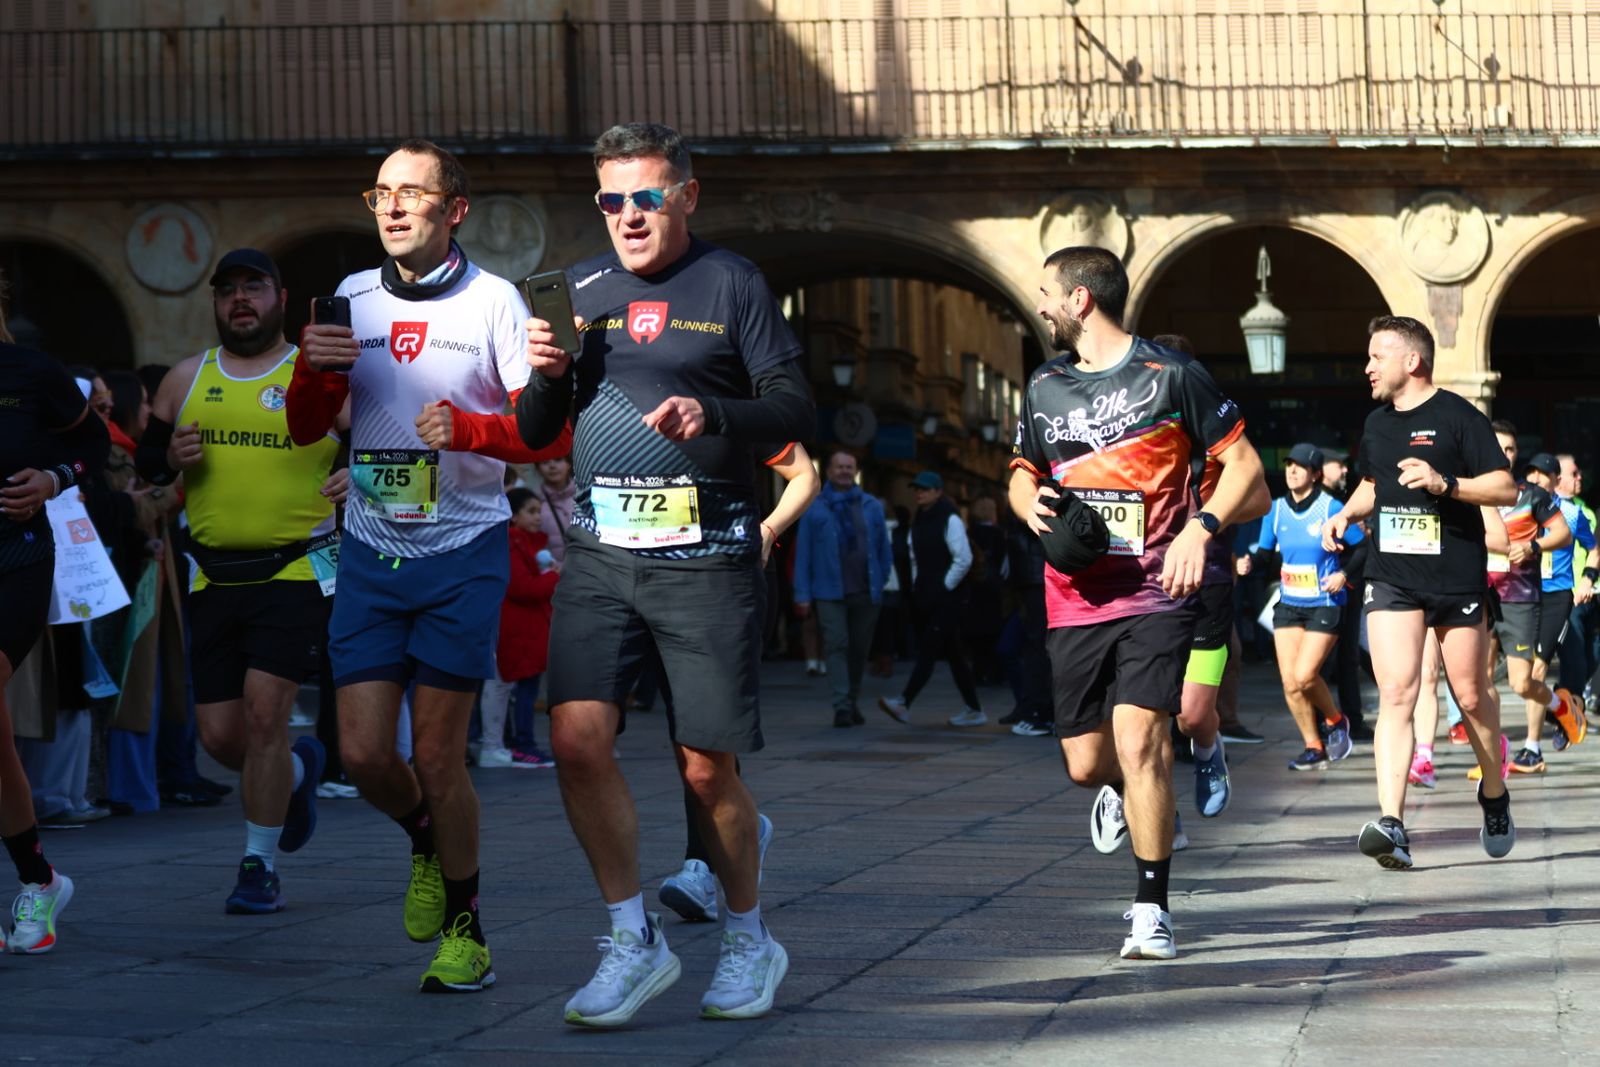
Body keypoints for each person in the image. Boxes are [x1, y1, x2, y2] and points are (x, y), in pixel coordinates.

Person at [515, 122, 812, 1025]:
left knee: (704, 769)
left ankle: (750, 938)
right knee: (574, 739)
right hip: (602, 552)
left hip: (706, 555)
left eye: (647, 196)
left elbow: (795, 406)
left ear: (686, 194)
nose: (629, 216)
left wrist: (712, 411)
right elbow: (535, 432)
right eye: (613, 199)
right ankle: (630, 937)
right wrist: (547, 376)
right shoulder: (581, 287)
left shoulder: (733, 282)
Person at [290, 139, 571, 993]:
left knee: (443, 758)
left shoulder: (495, 303)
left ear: (456, 210)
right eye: (381, 193)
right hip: (372, 550)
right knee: (370, 753)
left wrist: (474, 429)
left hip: (464, 551)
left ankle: (467, 928)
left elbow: (547, 432)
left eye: (413, 193)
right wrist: (310, 372)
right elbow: (310, 426)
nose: (393, 207)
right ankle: (422, 838)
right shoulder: (349, 297)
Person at [1009, 246, 1266, 961]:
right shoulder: (1044, 384)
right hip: (1073, 598)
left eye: (1048, 294)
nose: (1042, 306)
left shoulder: (1171, 375)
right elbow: (1021, 473)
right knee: (1087, 763)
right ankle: (1123, 793)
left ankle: (1151, 907)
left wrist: (1201, 525)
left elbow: (1246, 468)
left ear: (1081, 299)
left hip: (1156, 592)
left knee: (1144, 741)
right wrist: (1030, 506)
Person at [137, 249, 344, 913]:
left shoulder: (311, 374)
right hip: (212, 577)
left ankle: (257, 864)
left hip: (293, 568)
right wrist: (169, 457)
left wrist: (356, 478)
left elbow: (375, 443)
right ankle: (301, 769)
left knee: (263, 715)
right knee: (221, 738)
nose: (240, 300)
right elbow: (148, 467)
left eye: (253, 287)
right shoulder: (184, 378)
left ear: (281, 296)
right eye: (228, 290)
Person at [1323, 315, 1519, 869]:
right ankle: (1393, 823)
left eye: (1376, 356)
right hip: (1392, 578)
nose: (1367, 367)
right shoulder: (1377, 424)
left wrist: (1445, 484)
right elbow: (1372, 482)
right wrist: (1344, 514)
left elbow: (1504, 484)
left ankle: (1495, 794)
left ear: (1411, 361)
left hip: (1456, 580)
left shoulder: (1459, 417)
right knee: (1397, 694)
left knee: (1471, 696)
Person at [659, 440, 818, 922]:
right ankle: (743, 827)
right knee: (681, 731)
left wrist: (767, 531)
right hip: (645, 575)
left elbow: (804, 474)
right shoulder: (619, 392)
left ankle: (701, 864)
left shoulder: (729, 404)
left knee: (703, 731)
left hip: (724, 580)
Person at [0, 273, 111, 952]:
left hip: (14, 557)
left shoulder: (31, 370)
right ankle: (39, 879)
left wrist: (51, 480)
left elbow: (93, 444)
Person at [1247, 442, 1360, 769]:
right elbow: (1265, 556)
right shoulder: (1276, 509)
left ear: (1314, 473)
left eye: (1299, 466)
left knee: (1305, 675)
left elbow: (1361, 548)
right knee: (1290, 682)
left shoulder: (1331, 508)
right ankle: (1313, 746)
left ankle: (1336, 721)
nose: (1291, 470)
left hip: (1325, 601)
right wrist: (1247, 564)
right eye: (1288, 465)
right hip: (1289, 604)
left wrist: (1343, 574)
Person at [877, 471, 986, 727]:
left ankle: (904, 702)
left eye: (925, 489)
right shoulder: (920, 520)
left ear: (938, 491)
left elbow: (964, 558)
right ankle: (974, 709)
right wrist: (919, 586)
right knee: (954, 654)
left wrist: (944, 586)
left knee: (928, 649)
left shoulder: (950, 519)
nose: (919, 493)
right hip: (928, 597)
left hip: (947, 599)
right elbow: (916, 558)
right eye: (917, 489)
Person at [793, 450, 892, 728]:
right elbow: (804, 554)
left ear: (856, 470)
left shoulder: (871, 506)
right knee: (837, 645)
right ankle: (841, 706)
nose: (845, 471)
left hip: (866, 591)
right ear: (829, 471)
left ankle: (852, 699)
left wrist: (882, 577)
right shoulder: (814, 507)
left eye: (849, 467)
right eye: (839, 467)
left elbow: (884, 548)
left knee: (859, 650)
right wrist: (802, 594)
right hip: (829, 592)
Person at [1510, 451, 1585, 761]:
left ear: (1555, 480)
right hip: (1524, 592)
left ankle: (1532, 747)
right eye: (1531, 473)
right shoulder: (1518, 506)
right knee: (1520, 675)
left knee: (1538, 669)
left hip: (1556, 595)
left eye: (1542, 474)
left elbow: (1593, 549)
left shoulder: (1570, 513)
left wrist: (1588, 580)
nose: (1536, 479)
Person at [477, 488, 558, 769]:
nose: (538, 517)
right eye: (531, 511)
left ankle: (509, 743)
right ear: (514, 515)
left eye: (539, 511)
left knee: (518, 687)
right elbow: (523, 588)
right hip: (516, 629)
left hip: (525, 629)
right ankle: (518, 744)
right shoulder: (513, 544)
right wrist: (554, 577)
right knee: (515, 689)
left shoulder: (527, 543)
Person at [1553, 454, 1598, 703]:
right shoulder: (1548, 509)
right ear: (1558, 479)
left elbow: (1594, 551)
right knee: (1574, 659)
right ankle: (1568, 708)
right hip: (1568, 594)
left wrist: (1590, 580)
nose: (1580, 477)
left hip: (1593, 593)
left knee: (1593, 656)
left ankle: (1561, 703)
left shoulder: (1585, 510)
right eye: (1574, 473)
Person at [534, 453, 577, 564]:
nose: (552, 466)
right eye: (545, 462)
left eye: (558, 459)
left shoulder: (584, 496)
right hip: (553, 574)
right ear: (538, 469)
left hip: (585, 570)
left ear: (568, 464)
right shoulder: (534, 504)